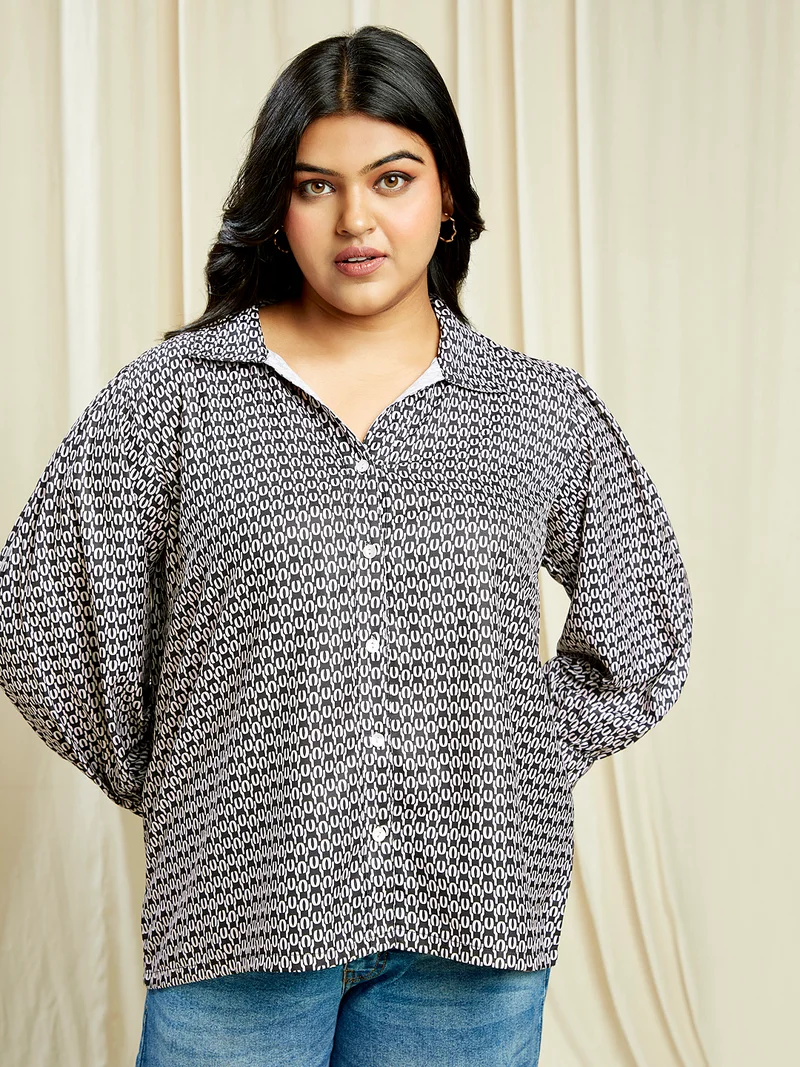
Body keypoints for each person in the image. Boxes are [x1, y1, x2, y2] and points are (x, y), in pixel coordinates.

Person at [0, 23, 693, 1067]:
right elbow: (38, 616)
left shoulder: (537, 410)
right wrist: (185, 774)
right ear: (278, 208)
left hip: (474, 927)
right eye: (316, 186)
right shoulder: (174, 399)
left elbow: (645, 621)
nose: (355, 219)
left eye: (392, 178)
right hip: (235, 921)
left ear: (446, 196)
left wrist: (516, 747)